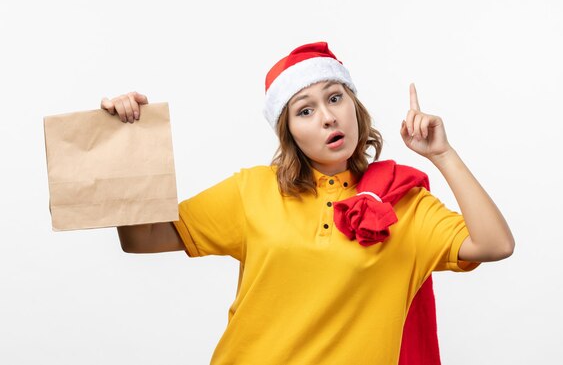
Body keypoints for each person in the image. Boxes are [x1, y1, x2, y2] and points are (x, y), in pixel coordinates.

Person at [102, 42, 514, 364]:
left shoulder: (406, 206)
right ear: (290, 132)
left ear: (355, 106)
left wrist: (442, 155)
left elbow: (495, 245)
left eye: (335, 98)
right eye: (305, 110)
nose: (327, 117)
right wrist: (128, 144)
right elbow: (142, 238)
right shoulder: (253, 191)